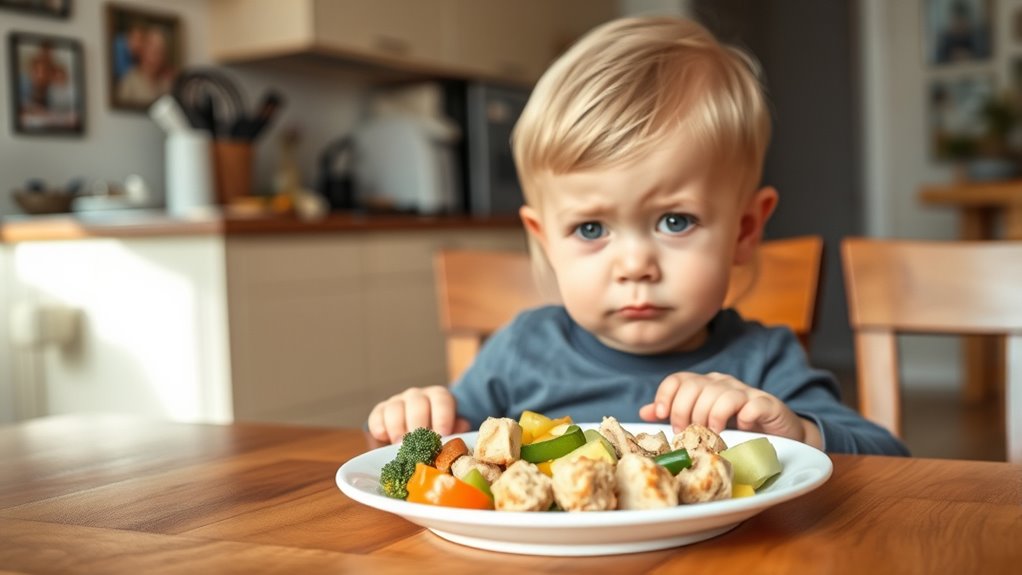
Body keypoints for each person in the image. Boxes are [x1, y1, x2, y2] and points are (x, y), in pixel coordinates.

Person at [366, 16, 909, 456]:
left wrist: (798, 435)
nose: (635, 265)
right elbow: (443, 454)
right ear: (545, 239)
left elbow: (888, 460)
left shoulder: (762, 362)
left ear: (745, 230)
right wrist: (416, 427)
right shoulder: (518, 353)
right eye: (591, 228)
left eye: (675, 221)